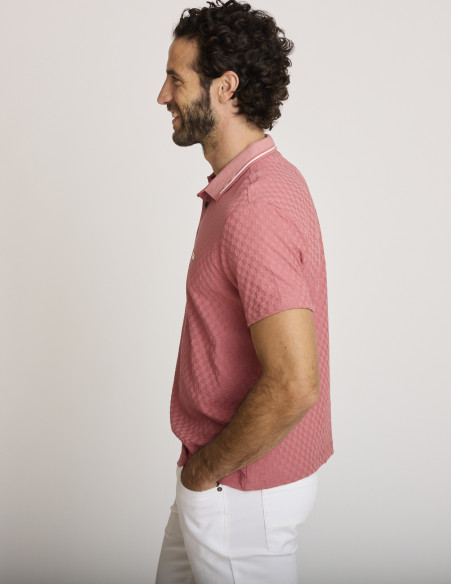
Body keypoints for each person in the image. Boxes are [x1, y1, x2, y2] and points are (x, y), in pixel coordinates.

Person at [155, 1, 333, 582]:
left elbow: (294, 383)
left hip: (238, 493)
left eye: (176, 79)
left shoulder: (255, 205)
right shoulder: (251, 185)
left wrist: (205, 472)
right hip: (221, 481)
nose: (162, 96)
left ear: (225, 87)